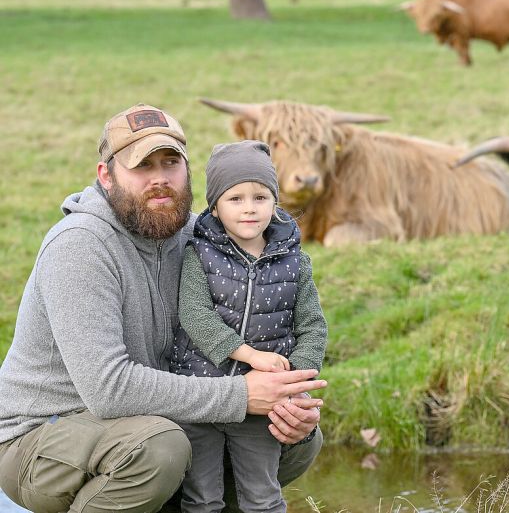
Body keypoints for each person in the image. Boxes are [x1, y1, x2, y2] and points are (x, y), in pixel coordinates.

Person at [0, 104, 327, 513]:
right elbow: (109, 390)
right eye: (142, 166)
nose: (159, 179)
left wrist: (289, 402)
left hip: (149, 420)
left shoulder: (201, 238)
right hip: (45, 433)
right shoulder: (80, 247)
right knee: (159, 451)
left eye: (170, 163)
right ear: (107, 175)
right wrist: (242, 395)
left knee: (294, 437)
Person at [169, 140, 328, 513]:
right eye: (235, 199)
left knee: (263, 496)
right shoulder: (198, 253)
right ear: (215, 206)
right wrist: (250, 355)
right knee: (202, 499)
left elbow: (313, 327)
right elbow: (194, 314)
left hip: (262, 407)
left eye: (260, 197)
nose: (249, 209)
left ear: (275, 202)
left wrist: (295, 382)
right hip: (202, 397)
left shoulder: (295, 263)